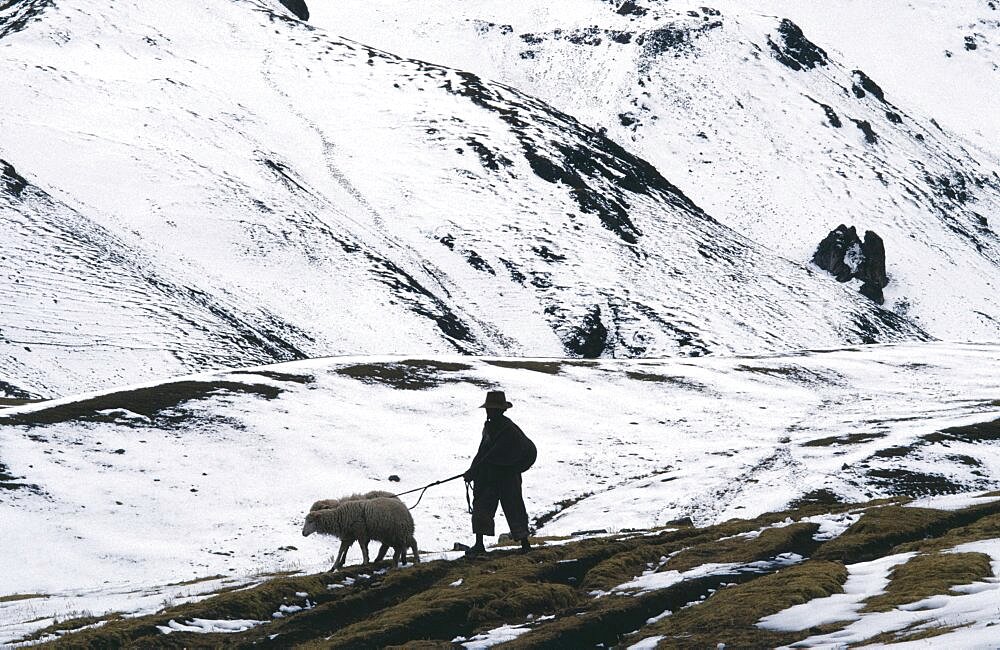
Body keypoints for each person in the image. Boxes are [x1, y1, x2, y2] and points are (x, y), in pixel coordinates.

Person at [463, 390, 536, 556]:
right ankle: (479, 544)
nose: (489, 411)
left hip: (508, 476)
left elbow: (491, 455)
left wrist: (476, 469)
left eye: (492, 409)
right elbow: (483, 453)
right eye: (488, 409)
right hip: (490, 475)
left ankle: (525, 543)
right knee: (481, 506)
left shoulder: (509, 430)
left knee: (514, 507)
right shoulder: (489, 427)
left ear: (500, 410)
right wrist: (472, 471)